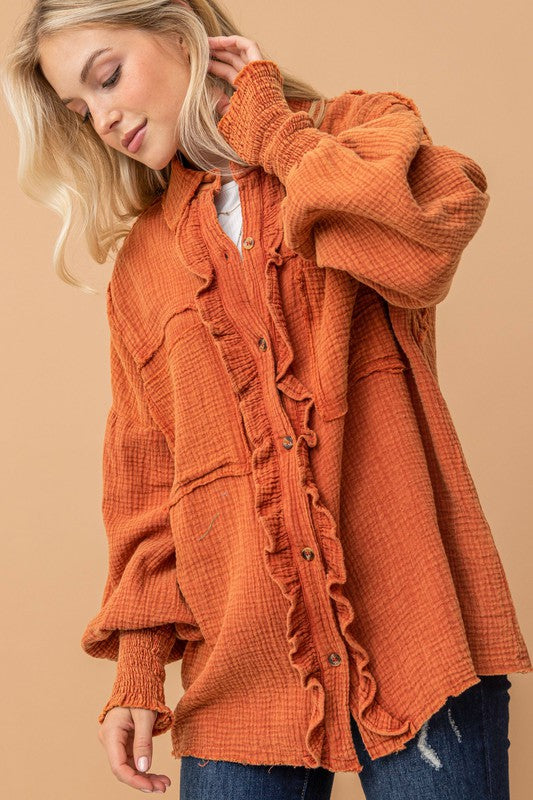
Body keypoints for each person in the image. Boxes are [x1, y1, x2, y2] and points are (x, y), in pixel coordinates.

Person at [2, 1, 531, 798]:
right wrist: (139, 671)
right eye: (80, 111)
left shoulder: (355, 134)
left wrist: (273, 131)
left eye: (107, 77)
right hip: (243, 663)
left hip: (418, 631)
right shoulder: (142, 267)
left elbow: (423, 246)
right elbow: (148, 480)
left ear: (178, 31)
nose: (103, 118)